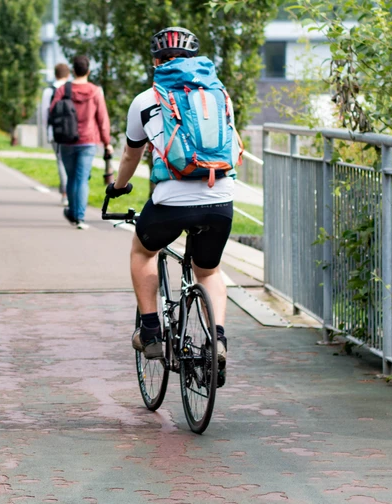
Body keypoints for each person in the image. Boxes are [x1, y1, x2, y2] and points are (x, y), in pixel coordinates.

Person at [106, 27, 243, 383]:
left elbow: (130, 154)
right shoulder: (219, 95)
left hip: (170, 200)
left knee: (143, 250)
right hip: (219, 199)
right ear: (194, 60)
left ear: (156, 62)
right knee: (208, 271)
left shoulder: (145, 100)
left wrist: (118, 188)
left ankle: (151, 332)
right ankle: (218, 340)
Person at [49, 55, 111, 230]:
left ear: (73, 70)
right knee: (82, 179)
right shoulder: (96, 91)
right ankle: (80, 217)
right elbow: (102, 119)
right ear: (88, 71)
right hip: (89, 140)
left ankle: (73, 212)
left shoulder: (63, 90)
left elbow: (53, 111)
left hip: (67, 140)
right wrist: (107, 142)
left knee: (71, 178)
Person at [40, 63, 70, 206]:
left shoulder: (49, 91)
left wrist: (48, 130)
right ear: (68, 74)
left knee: (61, 161)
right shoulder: (72, 88)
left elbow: (45, 113)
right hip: (73, 132)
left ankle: (65, 193)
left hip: (56, 132)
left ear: (55, 74)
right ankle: (73, 192)